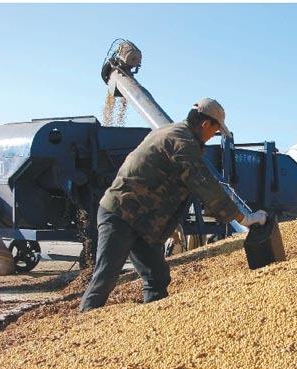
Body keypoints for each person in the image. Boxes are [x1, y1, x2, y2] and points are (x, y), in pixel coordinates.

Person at [80, 98, 267, 312]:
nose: (212, 137)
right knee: (106, 275)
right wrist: (245, 218)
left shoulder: (173, 133)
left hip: (141, 220)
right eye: (215, 131)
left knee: (157, 277)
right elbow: (205, 185)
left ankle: (151, 323)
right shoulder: (182, 142)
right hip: (122, 214)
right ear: (206, 124)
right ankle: (82, 328)